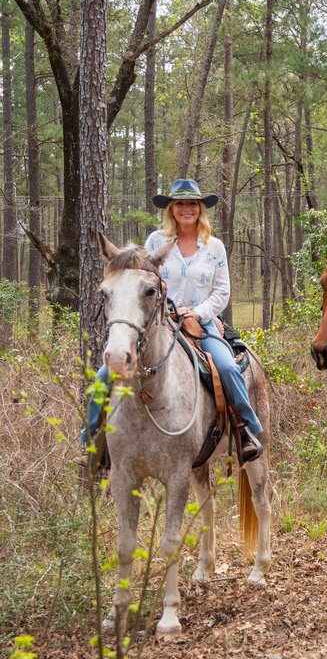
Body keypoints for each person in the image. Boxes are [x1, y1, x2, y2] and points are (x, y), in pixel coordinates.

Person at [86, 179, 263, 462]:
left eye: (192, 203)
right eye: (180, 204)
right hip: (159, 320)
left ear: (200, 209)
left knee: (227, 367)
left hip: (201, 322)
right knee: (105, 373)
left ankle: (245, 430)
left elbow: (222, 292)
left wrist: (199, 313)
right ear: (172, 209)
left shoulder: (214, 247)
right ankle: (93, 441)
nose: (186, 209)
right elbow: (141, 282)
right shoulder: (155, 242)